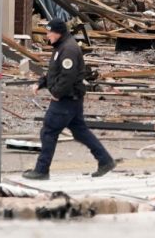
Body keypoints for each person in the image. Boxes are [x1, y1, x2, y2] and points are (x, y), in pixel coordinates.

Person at [22, 20, 116, 180]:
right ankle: (105, 160)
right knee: (80, 132)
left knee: (49, 131)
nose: (47, 35)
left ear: (58, 32)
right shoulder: (62, 47)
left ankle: (41, 170)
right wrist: (41, 83)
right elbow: (54, 72)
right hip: (71, 98)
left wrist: (57, 93)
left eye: (49, 32)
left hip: (66, 99)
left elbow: (68, 76)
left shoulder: (69, 49)